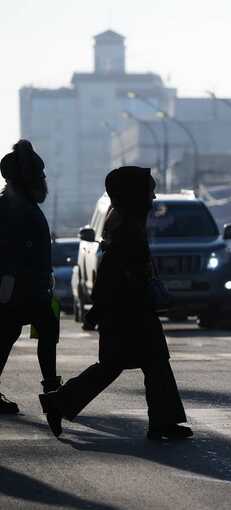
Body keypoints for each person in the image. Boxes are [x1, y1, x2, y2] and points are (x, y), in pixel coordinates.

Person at [40, 166, 192, 440]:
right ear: (135, 196)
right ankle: (59, 402)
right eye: (149, 192)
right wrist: (103, 308)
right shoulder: (127, 231)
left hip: (128, 311)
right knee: (130, 364)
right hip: (128, 313)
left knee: (146, 364)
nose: (153, 198)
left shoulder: (125, 224)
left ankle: (162, 421)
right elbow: (115, 275)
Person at [0, 140, 62, 419]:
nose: (45, 182)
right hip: (17, 288)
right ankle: (53, 392)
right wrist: (7, 280)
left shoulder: (21, 204)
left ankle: (53, 390)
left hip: (31, 287)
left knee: (36, 333)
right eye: (40, 177)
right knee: (31, 333)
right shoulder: (12, 207)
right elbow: (10, 247)